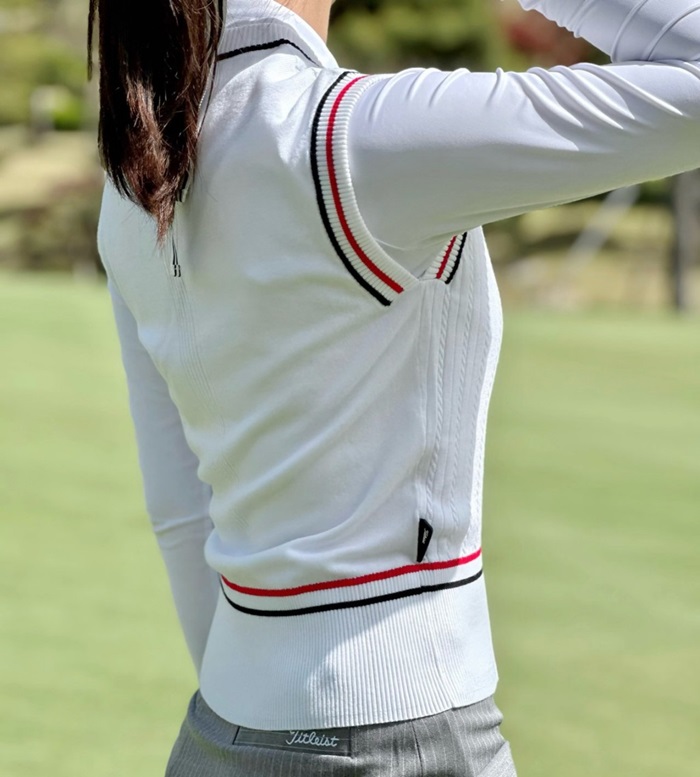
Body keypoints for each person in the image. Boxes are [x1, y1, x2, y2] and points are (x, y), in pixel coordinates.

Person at [89, 0, 700, 774]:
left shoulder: (137, 179)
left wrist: (265, 704)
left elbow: (180, 508)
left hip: (220, 734)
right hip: (403, 736)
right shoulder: (358, 137)